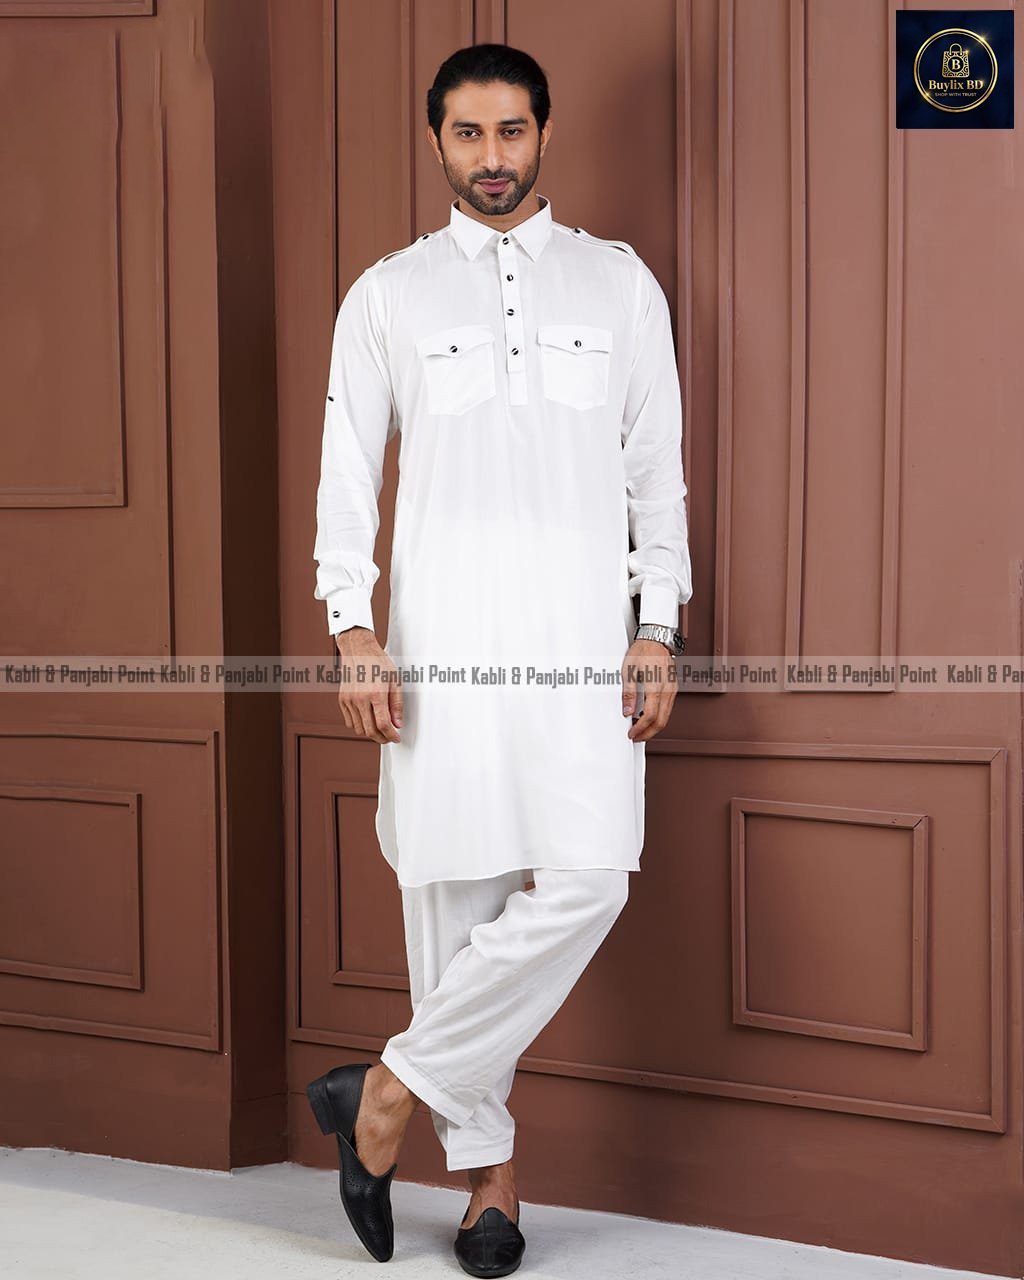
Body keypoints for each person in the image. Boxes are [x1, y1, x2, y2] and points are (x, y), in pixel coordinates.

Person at [306, 42, 693, 1276]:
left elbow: (656, 470)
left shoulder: (617, 284)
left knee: (590, 878)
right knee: (454, 903)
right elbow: (346, 475)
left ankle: (381, 1093)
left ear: (543, 133)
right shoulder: (389, 294)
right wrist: (352, 628)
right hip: (440, 649)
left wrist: (658, 622)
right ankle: (489, 1187)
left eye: (510, 131)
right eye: (467, 134)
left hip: (581, 646)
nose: (491, 157)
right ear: (436, 141)